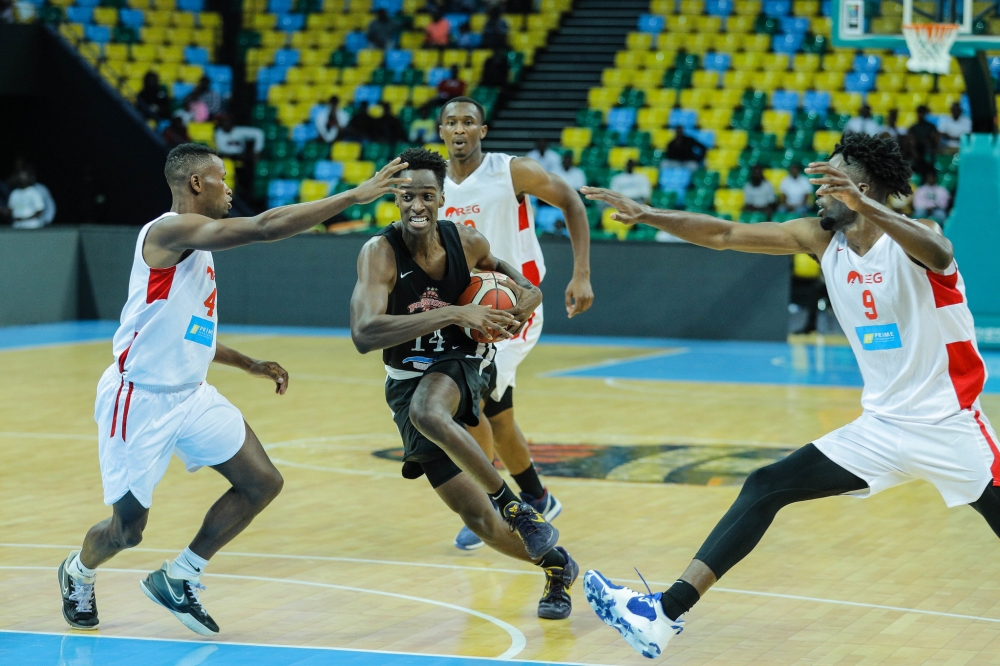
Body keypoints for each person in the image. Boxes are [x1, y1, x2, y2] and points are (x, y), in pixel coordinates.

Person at [580, 133, 1000, 660]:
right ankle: (663, 615)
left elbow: (939, 251)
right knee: (767, 484)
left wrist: (863, 205)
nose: (816, 194)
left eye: (828, 182)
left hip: (950, 425)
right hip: (882, 429)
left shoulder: (915, 240)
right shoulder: (824, 241)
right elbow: (727, 233)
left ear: (860, 188)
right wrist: (649, 213)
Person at [57, 143, 408, 635]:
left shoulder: (198, 244)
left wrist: (247, 363)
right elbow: (265, 227)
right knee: (126, 532)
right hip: (138, 400)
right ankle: (78, 570)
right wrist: (356, 195)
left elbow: (191, 326)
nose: (230, 187)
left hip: (191, 394)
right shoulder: (170, 231)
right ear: (196, 183)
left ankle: (180, 575)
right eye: (222, 177)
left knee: (262, 481)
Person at [349, 147, 578, 619]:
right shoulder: (379, 253)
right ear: (396, 198)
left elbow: (524, 287)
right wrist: (453, 310)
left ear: (441, 197)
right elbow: (364, 334)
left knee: (430, 412)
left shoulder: (467, 241)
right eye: (407, 195)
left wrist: (521, 306)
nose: (417, 205)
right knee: (479, 522)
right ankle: (559, 568)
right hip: (405, 379)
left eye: (427, 195)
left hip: (464, 359)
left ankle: (514, 504)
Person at [437, 97, 594, 550]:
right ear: (442, 132)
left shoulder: (511, 171)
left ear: (483, 131)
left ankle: (491, 507)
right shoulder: (433, 184)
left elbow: (570, 202)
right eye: (452, 122)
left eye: (469, 121)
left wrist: (580, 272)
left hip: (516, 304)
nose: (460, 128)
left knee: (473, 400)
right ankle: (538, 497)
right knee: (498, 416)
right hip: (467, 312)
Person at [908, 105, 940, 179]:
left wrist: (935, 150)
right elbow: (910, 142)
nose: (921, 115)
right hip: (918, 154)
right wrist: (915, 153)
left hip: (928, 153)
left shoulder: (931, 126)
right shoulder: (913, 127)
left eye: (922, 113)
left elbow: (936, 140)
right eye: (919, 113)